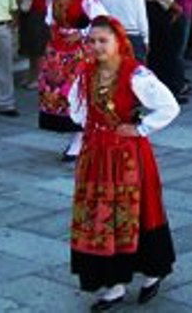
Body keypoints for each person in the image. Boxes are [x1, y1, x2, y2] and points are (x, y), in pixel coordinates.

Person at [68, 16, 179, 309]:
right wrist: (96, 130)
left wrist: (140, 128)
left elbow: (169, 106)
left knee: (138, 211)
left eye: (103, 40)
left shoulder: (135, 75)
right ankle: (114, 283)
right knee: (101, 215)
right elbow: (76, 110)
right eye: (91, 41)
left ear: (119, 42)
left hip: (129, 156)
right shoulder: (85, 74)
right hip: (97, 156)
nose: (96, 46)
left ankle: (153, 272)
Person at [41, 0, 107, 161]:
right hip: (59, 53)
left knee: (77, 94)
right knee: (59, 94)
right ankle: (80, 137)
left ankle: (80, 139)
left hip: (80, 54)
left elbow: (102, 20)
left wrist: (81, 33)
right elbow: (49, 19)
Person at [18, 0, 51, 90]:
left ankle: (37, 78)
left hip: (33, 12)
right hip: (39, 11)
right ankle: (32, 76)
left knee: (36, 49)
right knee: (34, 49)